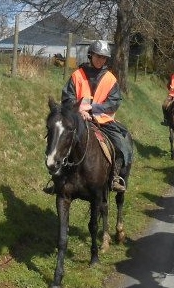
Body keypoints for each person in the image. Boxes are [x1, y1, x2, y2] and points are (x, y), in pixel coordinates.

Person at [44, 39, 133, 194]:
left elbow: (114, 102)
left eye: (104, 57)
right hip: (78, 120)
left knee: (122, 145)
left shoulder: (111, 79)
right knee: (59, 142)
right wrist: (79, 111)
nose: (100, 59)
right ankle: (57, 179)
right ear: (90, 55)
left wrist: (92, 107)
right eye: (97, 56)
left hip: (103, 121)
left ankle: (114, 178)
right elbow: (67, 98)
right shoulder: (77, 75)